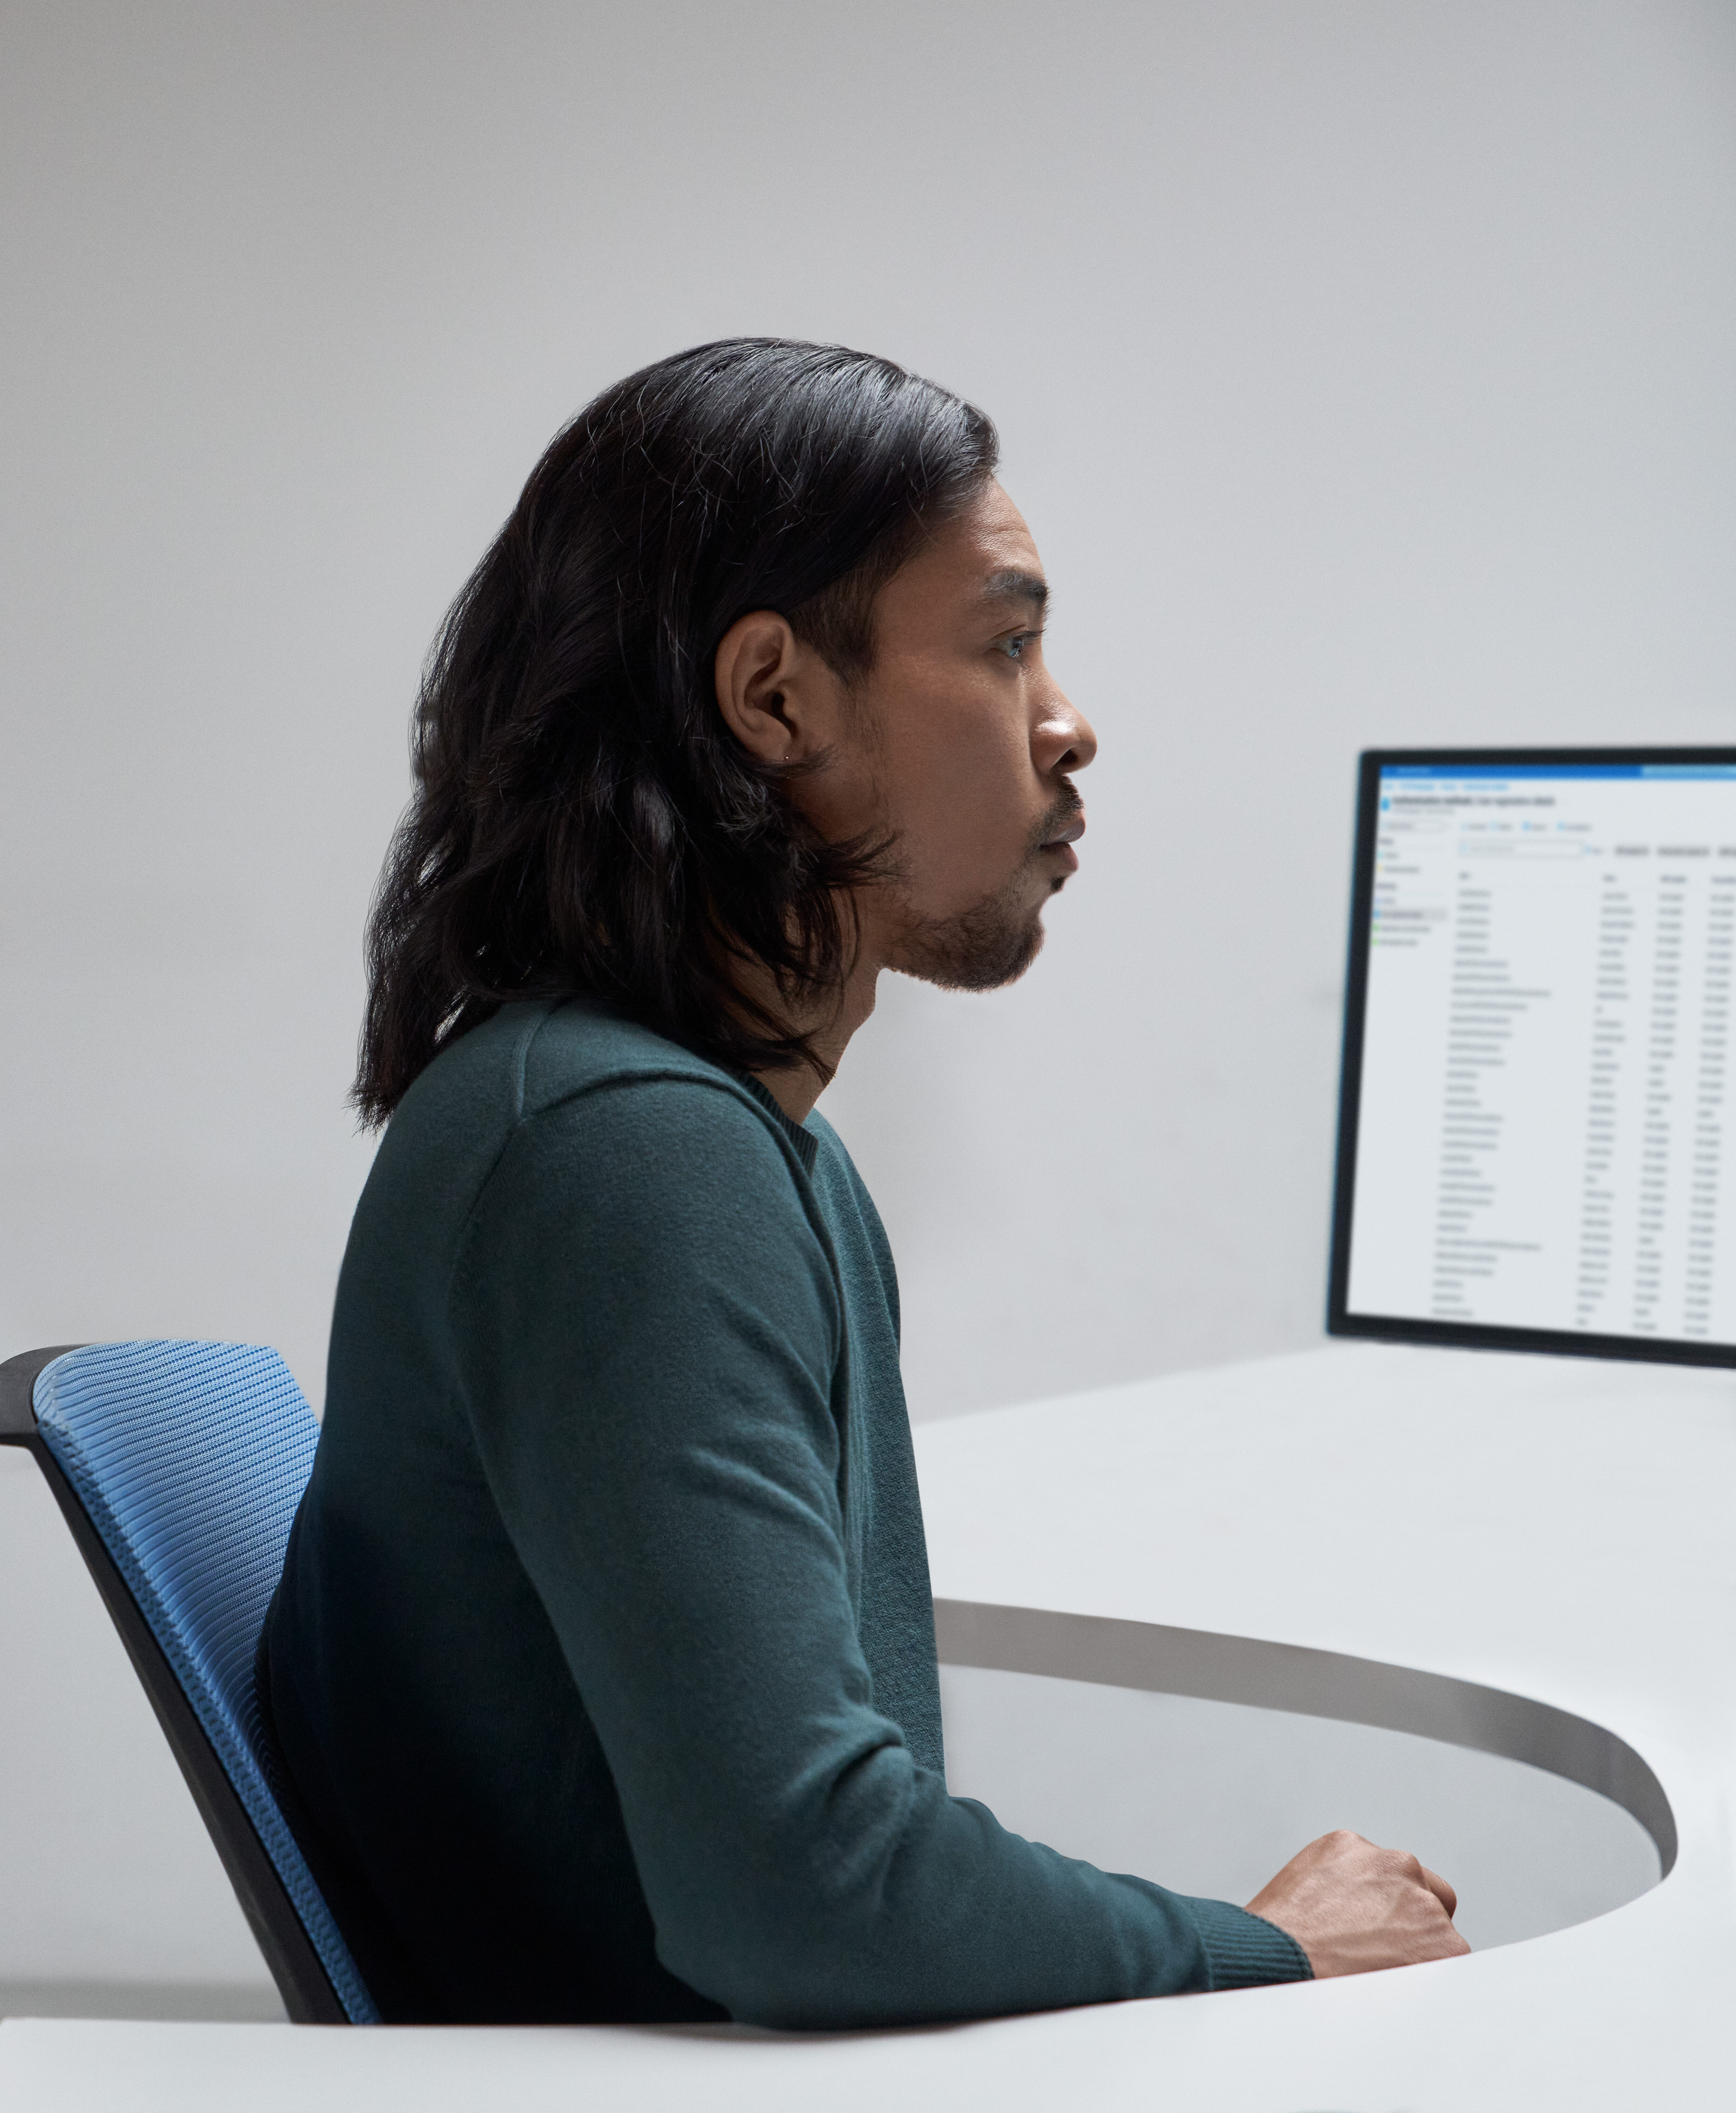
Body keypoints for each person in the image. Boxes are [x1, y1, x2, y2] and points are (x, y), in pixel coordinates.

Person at [258, 337, 1469, 2027]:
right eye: (1007, 643)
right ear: (773, 701)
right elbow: (810, 1895)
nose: (1071, 720)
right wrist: (1262, 1950)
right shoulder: (628, 1157)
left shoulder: (713, 1139)